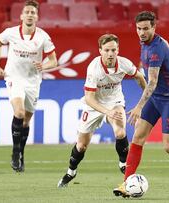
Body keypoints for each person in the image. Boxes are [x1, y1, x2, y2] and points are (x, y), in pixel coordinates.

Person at [113, 11, 169, 199]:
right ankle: (127, 183)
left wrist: (138, 107)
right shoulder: (148, 42)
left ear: (154, 27)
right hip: (156, 99)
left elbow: (152, 82)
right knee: (137, 137)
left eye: (146, 29)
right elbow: (168, 50)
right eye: (139, 29)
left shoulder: (156, 48)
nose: (142, 32)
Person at [57, 34, 147, 188]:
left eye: (113, 50)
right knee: (81, 146)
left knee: (120, 132)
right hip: (94, 106)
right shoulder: (94, 68)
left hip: (115, 102)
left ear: (118, 50)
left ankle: (123, 163)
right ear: (100, 51)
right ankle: (71, 172)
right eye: (107, 50)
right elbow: (89, 98)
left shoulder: (124, 64)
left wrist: (147, 94)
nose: (110, 53)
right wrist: (107, 112)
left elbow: (139, 77)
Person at [0, 0, 57, 172]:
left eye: (33, 12)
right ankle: (15, 152)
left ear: (37, 16)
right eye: (27, 12)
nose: (30, 14)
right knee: (19, 112)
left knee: (26, 120)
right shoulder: (10, 33)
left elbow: (54, 61)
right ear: (21, 16)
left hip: (33, 81)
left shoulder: (43, 36)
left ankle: (21, 152)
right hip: (14, 77)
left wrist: (44, 66)